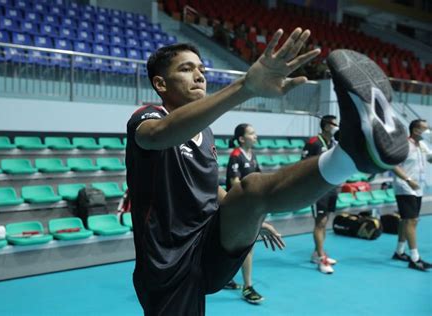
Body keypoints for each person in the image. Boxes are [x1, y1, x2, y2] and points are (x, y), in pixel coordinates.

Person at [125, 31, 409, 315]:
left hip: (209, 243)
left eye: (201, 69)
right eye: (186, 69)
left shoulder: (206, 133)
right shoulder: (148, 117)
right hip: (167, 260)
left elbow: (210, 189)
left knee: (252, 189)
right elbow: (158, 135)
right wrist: (245, 87)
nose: (199, 76)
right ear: (160, 83)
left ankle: (350, 155)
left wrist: (250, 216)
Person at [223, 123, 285, 304]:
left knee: (240, 247)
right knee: (247, 247)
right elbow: (236, 184)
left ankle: (227, 278)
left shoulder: (252, 155)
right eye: (252, 133)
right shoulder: (236, 156)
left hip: (250, 208)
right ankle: (247, 287)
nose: (256, 136)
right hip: (238, 209)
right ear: (242, 138)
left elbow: (258, 180)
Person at [391, 119, 432, 271]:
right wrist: (407, 180)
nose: (428, 132)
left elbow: (431, 159)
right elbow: (392, 165)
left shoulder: (422, 145)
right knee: (412, 221)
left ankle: (399, 251)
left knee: (405, 220)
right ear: (415, 130)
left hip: (418, 187)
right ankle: (415, 259)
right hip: (405, 187)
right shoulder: (403, 145)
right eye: (425, 129)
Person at [301, 115, 339, 274]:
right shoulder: (313, 142)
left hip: (331, 187)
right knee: (320, 223)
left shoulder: (333, 143)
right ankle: (321, 258)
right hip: (317, 190)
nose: (337, 126)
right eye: (334, 124)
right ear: (326, 126)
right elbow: (302, 165)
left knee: (325, 222)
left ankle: (318, 252)